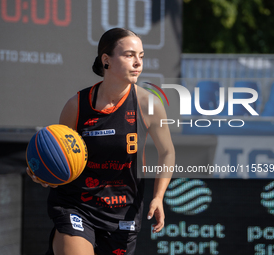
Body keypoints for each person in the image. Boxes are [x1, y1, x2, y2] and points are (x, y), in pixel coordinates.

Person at [26, 27, 175, 255]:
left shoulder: (149, 105)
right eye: (129, 55)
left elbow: (167, 153)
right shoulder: (77, 106)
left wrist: (158, 197)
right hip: (77, 205)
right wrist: (46, 174)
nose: (138, 62)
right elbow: (59, 154)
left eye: (141, 56)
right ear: (106, 60)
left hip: (122, 211)